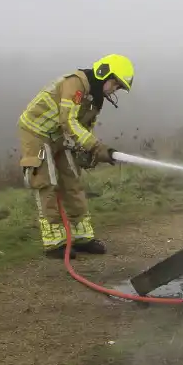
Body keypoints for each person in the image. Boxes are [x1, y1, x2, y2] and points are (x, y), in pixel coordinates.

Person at [17, 54, 134, 257]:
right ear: (104, 73)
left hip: (60, 136)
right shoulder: (75, 84)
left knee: (72, 180)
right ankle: (54, 242)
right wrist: (96, 147)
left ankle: (82, 237)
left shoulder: (95, 98)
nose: (115, 90)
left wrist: (89, 152)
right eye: (115, 84)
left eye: (119, 88)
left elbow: (85, 128)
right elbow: (68, 121)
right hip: (37, 132)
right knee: (47, 183)